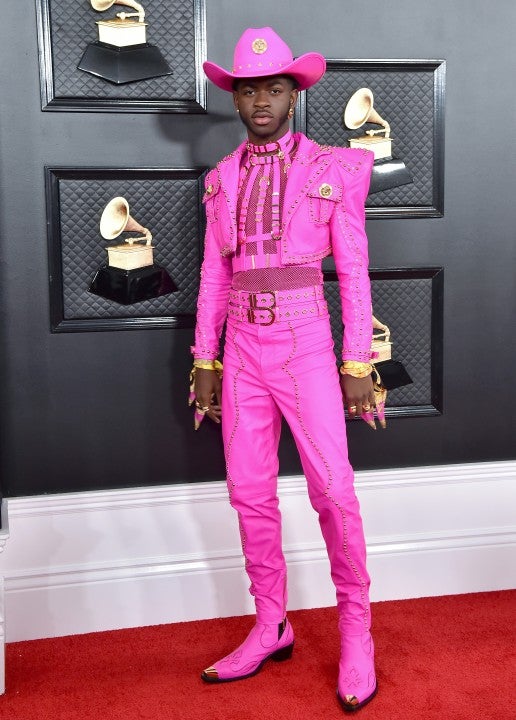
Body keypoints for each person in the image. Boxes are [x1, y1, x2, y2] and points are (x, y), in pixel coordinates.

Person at [190, 26, 377, 712]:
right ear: (235, 99)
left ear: (293, 95)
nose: (261, 101)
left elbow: (353, 269)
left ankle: (357, 629)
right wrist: (204, 357)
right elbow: (215, 273)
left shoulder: (335, 167)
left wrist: (358, 359)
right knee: (248, 491)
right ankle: (271, 623)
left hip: (306, 344)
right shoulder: (220, 179)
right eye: (249, 90)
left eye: (274, 88)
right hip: (241, 348)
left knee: (333, 490)